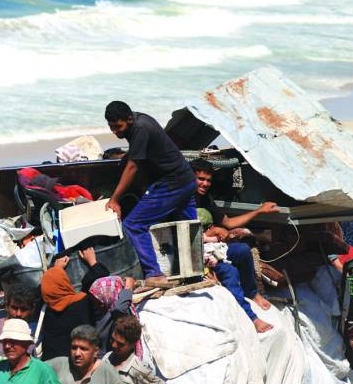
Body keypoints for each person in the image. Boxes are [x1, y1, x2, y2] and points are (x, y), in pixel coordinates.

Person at [104, 101, 197, 285]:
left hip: (172, 183)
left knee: (134, 224)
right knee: (190, 227)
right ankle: (196, 272)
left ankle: (154, 274)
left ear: (129, 119)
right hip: (187, 180)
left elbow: (133, 167)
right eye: (111, 127)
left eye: (118, 127)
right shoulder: (139, 121)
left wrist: (114, 199)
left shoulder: (141, 128)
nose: (115, 131)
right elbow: (135, 156)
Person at [192, 158, 278, 319]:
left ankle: (252, 292)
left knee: (243, 250)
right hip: (196, 254)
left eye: (208, 180)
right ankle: (250, 316)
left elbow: (228, 222)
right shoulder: (182, 200)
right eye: (200, 179)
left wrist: (259, 211)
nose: (205, 184)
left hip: (214, 249)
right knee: (230, 271)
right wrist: (211, 233)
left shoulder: (205, 199)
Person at [104, 316, 175, 384]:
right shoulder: (107, 357)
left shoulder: (137, 369)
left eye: (120, 344)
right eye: (112, 340)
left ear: (132, 344)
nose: (114, 345)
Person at [39, 257, 97, 361]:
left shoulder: (46, 310)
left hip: (51, 363)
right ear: (65, 281)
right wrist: (93, 263)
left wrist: (56, 269)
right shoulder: (82, 302)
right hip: (79, 362)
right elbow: (101, 282)